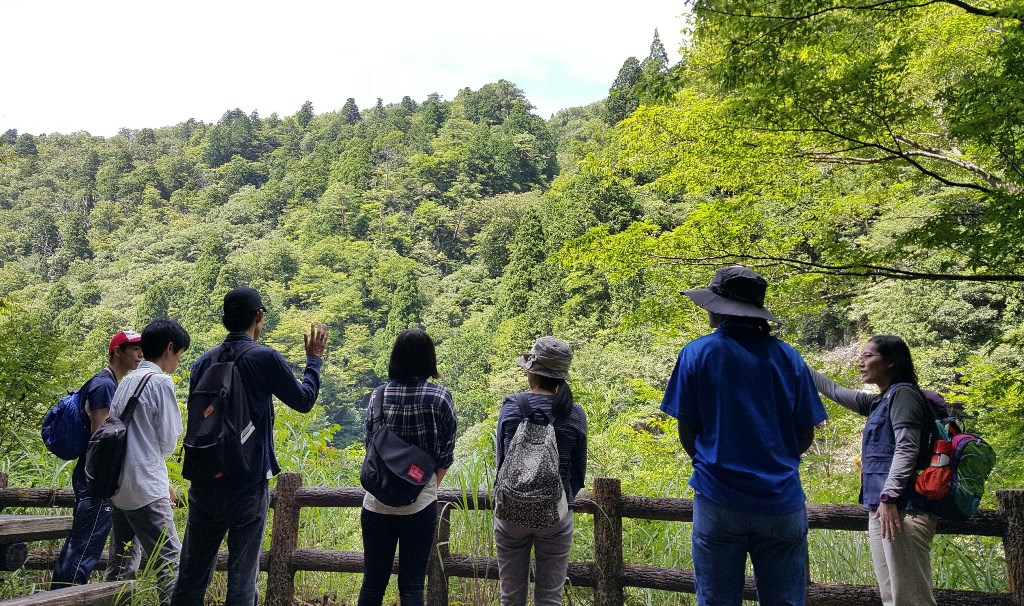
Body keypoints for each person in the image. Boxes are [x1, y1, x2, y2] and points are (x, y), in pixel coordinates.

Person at [660, 266, 828, 606]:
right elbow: (805, 432)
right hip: (781, 499)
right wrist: (777, 462)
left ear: (720, 308)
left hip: (717, 496)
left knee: (717, 600)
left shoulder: (698, 352)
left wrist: (711, 462)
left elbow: (687, 429)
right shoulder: (788, 357)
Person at [172, 287, 328, 606]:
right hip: (246, 481)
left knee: (191, 575)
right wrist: (314, 361)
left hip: (204, 479)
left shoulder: (203, 362)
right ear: (258, 317)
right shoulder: (263, 357)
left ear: (224, 319)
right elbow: (304, 400)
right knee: (242, 578)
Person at [808, 335, 937, 606]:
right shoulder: (880, 401)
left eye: (868, 356)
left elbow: (907, 448)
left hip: (902, 508)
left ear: (891, 361)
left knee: (911, 599)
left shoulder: (903, 395)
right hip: (883, 509)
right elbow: (833, 390)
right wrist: (797, 364)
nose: (861, 362)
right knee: (891, 597)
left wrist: (889, 496)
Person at [358, 328, 456, 606]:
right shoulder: (440, 398)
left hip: (377, 501)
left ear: (395, 358)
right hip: (421, 503)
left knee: (372, 582)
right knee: (413, 586)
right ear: (429, 359)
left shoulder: (378, 395)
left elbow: (370, 446)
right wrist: (422, 485)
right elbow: (445, 454)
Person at [494, 336, 587, 606]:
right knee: (549, 598)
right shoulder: (575, 413)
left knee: (510, 597)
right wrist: (561, 499)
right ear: (561, 376)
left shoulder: (512, 406)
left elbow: (502, 463)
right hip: (555, 514)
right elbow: (578, 472)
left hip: (511, 512)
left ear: (532, 372)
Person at [105, 320, 191, 605]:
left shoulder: (126, 380)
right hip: (145, 486)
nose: (178, 360)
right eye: (179, 353)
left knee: (120, 563)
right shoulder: (161, 382)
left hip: (118, 486)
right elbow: (167, 442)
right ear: (169, 348)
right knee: (169, 559)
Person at [50, 330, 143, 589]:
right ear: (117, 352)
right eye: (134, 349)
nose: (140, 355)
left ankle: (57, 596)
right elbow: (101, 440)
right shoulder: (104, 385)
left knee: (79, 545)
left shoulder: (109, 383)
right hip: (96, 480)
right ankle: (63, 599)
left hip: (90, 476)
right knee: (84, 549)